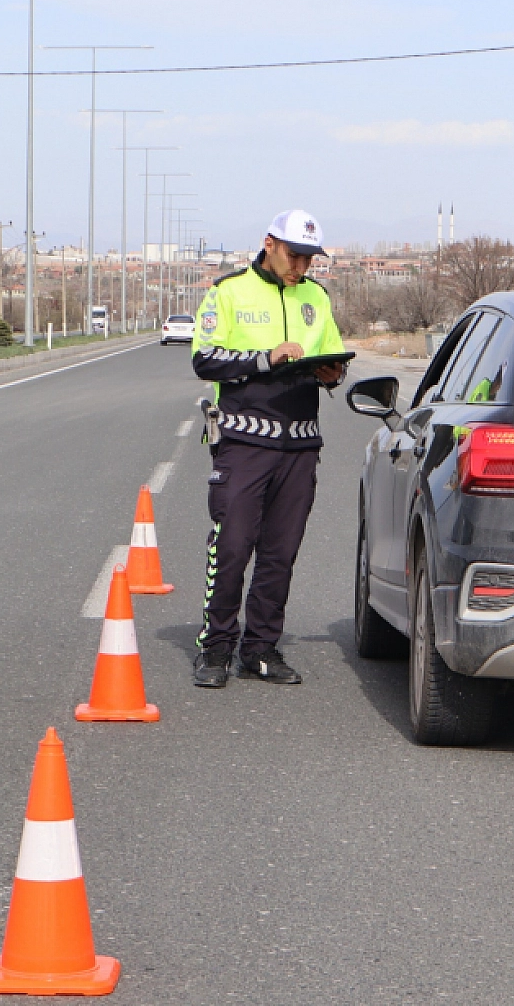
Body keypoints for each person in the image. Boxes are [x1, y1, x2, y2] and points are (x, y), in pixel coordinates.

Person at [189, 210, 347, 688]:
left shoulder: (316, 297)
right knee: (233, 546)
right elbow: (205, 358)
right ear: (270, 244)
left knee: (281, 552)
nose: (302, 266)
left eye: (309, 259)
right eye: (295, 255)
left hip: (299, 444)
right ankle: (216, 648)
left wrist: (332, 373)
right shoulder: (228, 291)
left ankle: (260, 649)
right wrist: (265, 359)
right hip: (242, 442)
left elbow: (333, 353)